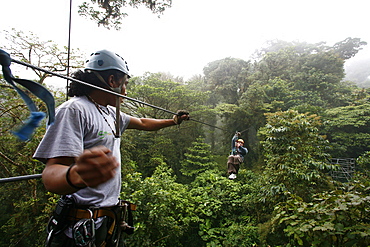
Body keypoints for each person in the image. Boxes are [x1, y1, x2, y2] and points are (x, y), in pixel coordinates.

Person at [33, 50, 189, 247]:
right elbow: (50, 173)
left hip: (106, 223)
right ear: (112, 80)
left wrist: (174, 121)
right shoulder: (74, 110)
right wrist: (76, 175)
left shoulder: (110, 113)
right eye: (124, 83)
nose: (126, 90)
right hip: (79, 228)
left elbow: (142, 122)